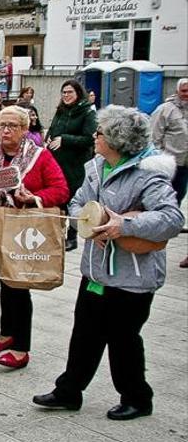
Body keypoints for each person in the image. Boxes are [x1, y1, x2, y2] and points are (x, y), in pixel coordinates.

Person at [33, 105, 184, 421]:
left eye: (99, 132)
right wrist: (89, 224)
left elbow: (172, 218)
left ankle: (137, 398)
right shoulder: (96, 166)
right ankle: (69, 391)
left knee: (123, 339)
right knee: (84, 333)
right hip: (96, 270)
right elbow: (76, 203)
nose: (94, 136)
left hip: (132, 276)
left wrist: (124, 226)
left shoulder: (149, 173)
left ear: (117, 139)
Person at [0, 106, 69, 369]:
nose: (5, 131)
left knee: (19, 288)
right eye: (2, 125)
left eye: (12, 126)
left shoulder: (40, 157)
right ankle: (6, 334)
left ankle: (21, 349)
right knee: (6, 284)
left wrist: (34, 198)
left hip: (26, 231)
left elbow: (61, 190)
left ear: (25, 130)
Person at [46, 79, 97, 251]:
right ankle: (57, 233)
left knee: (72, 201)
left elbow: (90, 138)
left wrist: (65, 139)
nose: (66, 96)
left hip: (75, 164)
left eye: (70, 92)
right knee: (57, 198)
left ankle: (72, 236)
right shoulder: (60, 111)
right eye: (64, 92)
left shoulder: (87, 112)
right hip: (57, 161)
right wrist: (50, 137)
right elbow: (54, 129)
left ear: (78, 93)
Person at [150, 78, 187, 210]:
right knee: (164, 195)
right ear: (177, 91)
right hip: (168, 162)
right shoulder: (165, 109)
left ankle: (173, 222)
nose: (186, 94)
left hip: (184, 163)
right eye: (184, 91)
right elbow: (154, 135)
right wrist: (158, 158)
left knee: (180, 194)